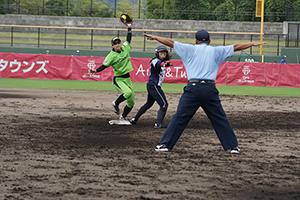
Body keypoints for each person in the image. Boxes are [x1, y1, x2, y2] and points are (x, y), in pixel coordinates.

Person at [143, 30, 266, 154]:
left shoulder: (188, 49)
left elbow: (169, 42)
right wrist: (251, 43)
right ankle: (233, 147)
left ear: (196, 41)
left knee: (179, 117)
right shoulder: (217, 50)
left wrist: (155, 37)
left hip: (193, 88)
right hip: (209, 89)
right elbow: (236, 46)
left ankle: (165, 144)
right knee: (220, 118)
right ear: (209, 41)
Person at [89, 22, 134, 121]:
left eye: (118, 42)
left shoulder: (124, 48)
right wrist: (95, 70)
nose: (118, 44)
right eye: (115, 43)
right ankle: (116, 103)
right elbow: (104, 66)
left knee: (131, 102)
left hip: (127, 78)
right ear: (112, 46)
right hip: (119, 79)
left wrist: (129, 27)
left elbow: (129, 39)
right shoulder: (111, 56)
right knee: (128, 93)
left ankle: (123, 117)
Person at [130, 45, 172, 128]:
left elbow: (162, 64)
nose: (163, 54)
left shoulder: (159, 61)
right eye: (161, 52)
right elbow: (159, 64)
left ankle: (134, 119)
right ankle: (158, 123)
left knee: (149, 103)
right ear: (157, 53)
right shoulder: (156, 61)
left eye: (164, 52)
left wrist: (164, 64)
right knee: (164, 104)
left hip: (152, 85)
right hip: (154, 86)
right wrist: (164, 65)